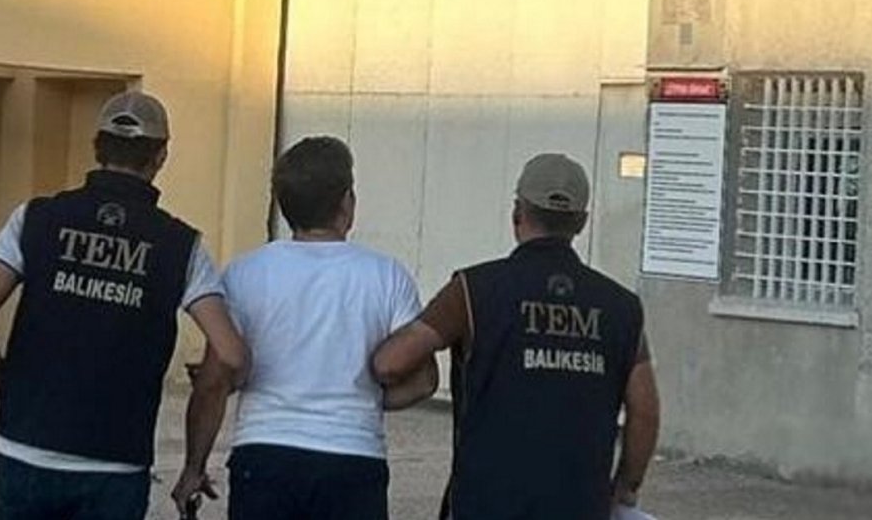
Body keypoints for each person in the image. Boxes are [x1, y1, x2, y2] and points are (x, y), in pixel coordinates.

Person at [0, 90, 248, 520]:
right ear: (161, 155)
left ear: (97, 147)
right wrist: (194, 463)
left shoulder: (34, 218)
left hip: (26, 448)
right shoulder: (180, 245)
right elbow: (229, 352)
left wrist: (9, 386)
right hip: (115, 461)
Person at [372, 153, 661, 520]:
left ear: (516, 213)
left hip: (484, 503)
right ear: (582, 222)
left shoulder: (472, 291)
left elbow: (391, 363)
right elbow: (646, 411)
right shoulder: (622, 308)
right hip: (579, 506)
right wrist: (625, 488)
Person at [172, 135, 438, 520]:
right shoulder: (387, 276)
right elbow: (425, 379)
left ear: (283, 207)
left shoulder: (245, 274)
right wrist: (364, 401)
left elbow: (215, 380)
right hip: (353, 457)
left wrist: (193, 467)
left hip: (264, 455)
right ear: (347, 202)